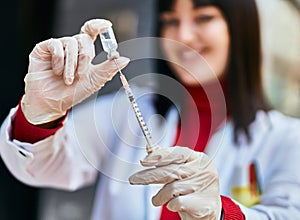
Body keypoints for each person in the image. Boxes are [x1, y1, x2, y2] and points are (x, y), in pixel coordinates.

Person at [1, 0, 300, 219]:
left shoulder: (285, 138)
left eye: (204, 17)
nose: (182, 36)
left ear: (242, 30)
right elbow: (40, 167)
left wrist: (224, 213)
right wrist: (41, 112)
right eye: (170, 20)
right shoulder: (125, 112)